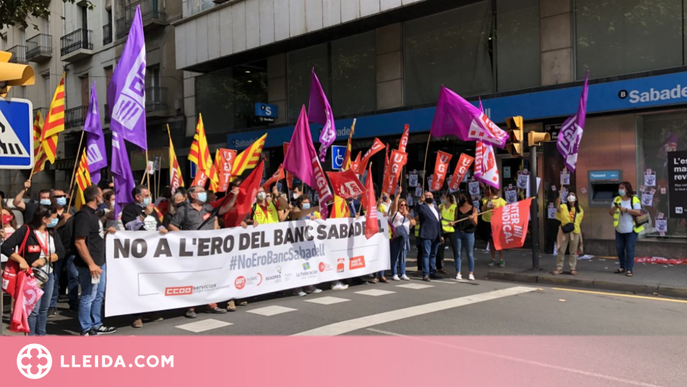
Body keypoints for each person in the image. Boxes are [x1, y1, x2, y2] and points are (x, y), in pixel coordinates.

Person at [1, 205, 65, 336]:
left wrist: (45, 260)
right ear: (43, 219)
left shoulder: (52, 232)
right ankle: (31, 340)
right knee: (33, 310)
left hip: (49, 275)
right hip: (31, 276)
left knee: (44, 309)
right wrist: (21, 260)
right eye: (52, 218)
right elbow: (6, 247)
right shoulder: (26, 230)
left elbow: (61, 252)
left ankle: (41, 335)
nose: (55, 220)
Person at [170, 185, 232, 317]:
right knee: (192, 277)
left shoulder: (208, 208)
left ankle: (211, 304)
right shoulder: (184, 210)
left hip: (208, 249)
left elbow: (225, 209)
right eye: (201, 192)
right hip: (192, 250)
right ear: (192, 195)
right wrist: (186, 237)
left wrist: (235, 196)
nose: (204, 194)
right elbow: (171, 225)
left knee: (209, 276)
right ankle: (190, 307)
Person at [121, 185, 168, 328]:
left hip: (153, 252)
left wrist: (162, 229)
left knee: (152, 281)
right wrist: (143, 215)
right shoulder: (129, 209)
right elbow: (130, 227)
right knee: (138, 283)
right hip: (137, 253)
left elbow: (157, 225)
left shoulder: (152, 210)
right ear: (138, 197)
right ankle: (137, 315)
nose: (149, 198)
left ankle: (152, 310)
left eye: (149, 195)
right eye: (146, 195)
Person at [73, 185, 117, 336]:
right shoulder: (83, 215)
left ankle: (96, 324)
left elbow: (93, 235)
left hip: (99, 262)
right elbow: (79, 241)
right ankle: (85, 328)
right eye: (101, 195)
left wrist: (105, 232)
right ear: (97, 197)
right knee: (88, 296)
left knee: (98, 295)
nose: (103, 197)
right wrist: (91, 263)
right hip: (90, 264)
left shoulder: (92, 215)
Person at [48, 188, 78, 317]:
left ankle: (74, 302)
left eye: (63, 195)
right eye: (57, 196)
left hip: (71, 248)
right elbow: (46, 229)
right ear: (52, 199)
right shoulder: (48, 212)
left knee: (73, 276)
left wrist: (73, 219)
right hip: (56, 249)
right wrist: (60, 223)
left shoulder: (72, 210)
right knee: (55, 277)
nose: (61, 197)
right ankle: (51, 305)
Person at [290, 195, 323, 296]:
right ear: (300, 204)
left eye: (308, 202)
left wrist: (314, 217)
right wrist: (311, 210)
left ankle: (309, 286)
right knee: (297, 265)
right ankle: (297, 288)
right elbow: (297, 215)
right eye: (304, 203)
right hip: (297, 242)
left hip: (308, 242)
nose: (307, 204)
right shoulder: (295, 210)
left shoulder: (310, 211)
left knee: (308, 264)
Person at [609, 181, 644, 277]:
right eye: (619, 188)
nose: (620, 189)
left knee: (629, 248)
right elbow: (611, 213)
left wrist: (626, 210)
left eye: (622, 188)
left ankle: (629, 269)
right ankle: (622, 266)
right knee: (619, 248)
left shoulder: (634, 199)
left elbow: (638, 212)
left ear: (627, 189)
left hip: (631, 229)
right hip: (619, 228)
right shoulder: (616, 199)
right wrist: (615, 208)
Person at [553, 191, 584, 275]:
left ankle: (572, 268)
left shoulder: (579, 209)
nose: (571, 196)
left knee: (573, 251)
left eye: (573, 195)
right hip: (564, 231)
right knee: (561, 250)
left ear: (576, 198)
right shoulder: (563, 206)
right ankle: (559, 268)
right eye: (569, 195)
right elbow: (559, 210)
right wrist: (558, 203)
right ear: (567, 198)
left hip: (575, 231)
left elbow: (580, 219)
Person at [414, 191, 443, 281]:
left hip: (436, 234)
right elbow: (417, 210)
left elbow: (439, 222)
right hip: (426, 233)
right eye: (427, 196)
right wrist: (419, 202)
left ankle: (432, 272)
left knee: (433, 254)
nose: (428, 197)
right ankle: (425, 273)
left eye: (430, 195)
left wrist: (441, 234)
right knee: (426, 254)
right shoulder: (422, 207)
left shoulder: (436, 207)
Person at [388, 186, 414, 281]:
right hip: (396, 236)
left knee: (403, 255)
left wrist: (407, 214)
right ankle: (394, 273)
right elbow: (394, 204)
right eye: (401, 205)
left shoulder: (408, 214)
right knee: (395, 255)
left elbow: (413, 222)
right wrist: (398, 194)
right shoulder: (395, 213)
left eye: (405, 205)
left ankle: (403, 272)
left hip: (405, 237)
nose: (403, 207)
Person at [481, 187, 507, 267]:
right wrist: (488, 200)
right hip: (487, 222)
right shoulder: (485, 199)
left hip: (497, 223)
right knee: (490, 241)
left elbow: (505, 211)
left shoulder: (501, 201)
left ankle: (501, 258)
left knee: (498, 241)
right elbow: (483, 209)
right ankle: (493, 257)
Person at [455, 192, 478, 280]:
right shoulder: (458, 208)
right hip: (459, 232)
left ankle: (471, 273)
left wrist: (472, 219)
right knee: (458, 253)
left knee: (470, 253)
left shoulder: (473, 209)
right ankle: (458, 273)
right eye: (461, 197)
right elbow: (455, 220)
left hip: (469, 233)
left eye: (463, 197)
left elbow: (476, 223)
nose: (462, 199)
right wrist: (452, 223)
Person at [436, 192, 458, 275]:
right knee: (441, 246)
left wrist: (454, 223)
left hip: (451, 228)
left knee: (454, 246)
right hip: (442, 228)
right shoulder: (440, 206)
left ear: (448, 198)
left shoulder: (454, 207)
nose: (442, 198)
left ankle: (456, 260)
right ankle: (441, 261)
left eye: (444, 197)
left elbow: (456, 217)